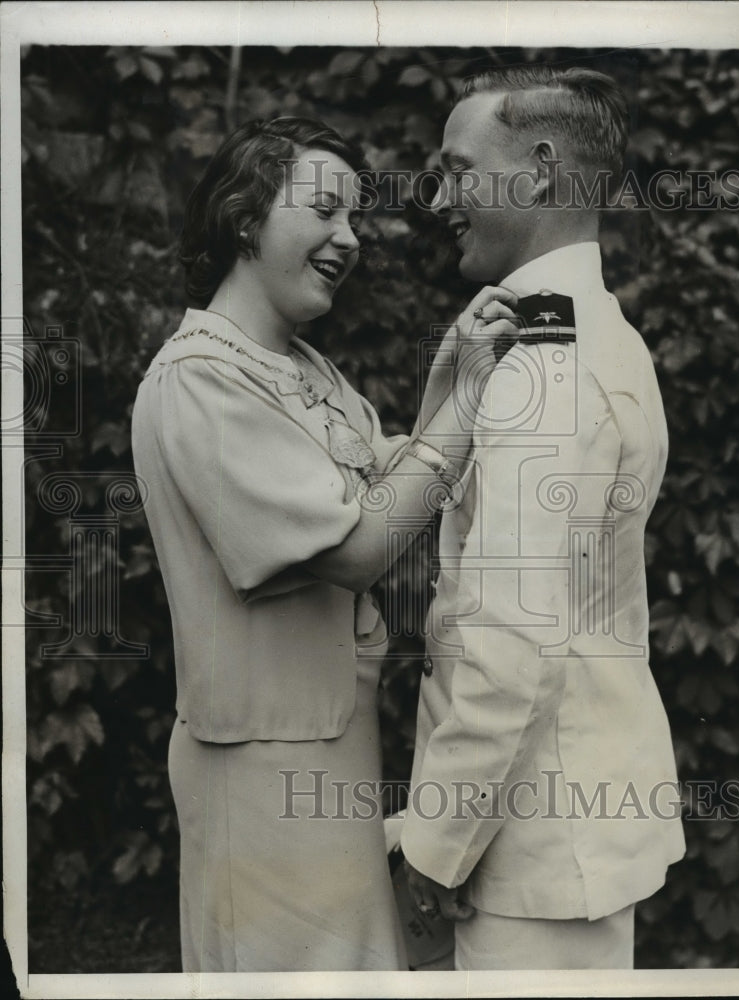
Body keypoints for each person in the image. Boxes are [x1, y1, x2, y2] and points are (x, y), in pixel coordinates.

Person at [130, 116, 521, 972]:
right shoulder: (201, 376)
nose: (349, 238)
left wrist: (450, 376)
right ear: (244, 216)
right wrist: (469, 404)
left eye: (354, 219)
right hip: (259, 773)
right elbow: (355, 551)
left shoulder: (302, 366)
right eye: (325, 211)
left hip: (330, 752)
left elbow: (389, 483)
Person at [400, 66, 686, 970]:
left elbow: (511, 645)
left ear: (540, 171)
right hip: (572, 836)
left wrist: (434, 845)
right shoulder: (605, 333)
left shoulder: (538, 361)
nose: (439, 197)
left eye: (457, 169)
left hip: (529, 853)